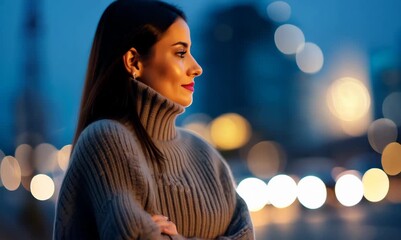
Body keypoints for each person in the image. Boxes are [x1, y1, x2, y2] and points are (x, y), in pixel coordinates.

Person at [53, 0, 254, 239]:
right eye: (181, 53)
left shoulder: (205, 154)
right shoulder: (106, 139)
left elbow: (245, 232)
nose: (196, 67)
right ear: (133, 62)